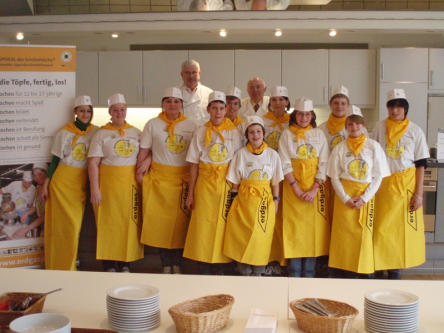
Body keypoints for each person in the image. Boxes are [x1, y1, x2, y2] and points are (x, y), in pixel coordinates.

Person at [372, 89, 430, 279]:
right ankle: (379, 271)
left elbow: (421, 164)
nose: (395, 110)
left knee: (399, 234)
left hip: (405, 188)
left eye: (399, 106)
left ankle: (395, 274)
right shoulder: (379, 127)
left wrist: (419, 193)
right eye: (391, 106)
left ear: (405, 109)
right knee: (380, 231)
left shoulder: (415, 131)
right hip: (382, 186)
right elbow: (371, 154)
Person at [137, 87, 197, 274]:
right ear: (163, 104)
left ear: (182, 105)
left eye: (176, 101)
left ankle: (177, 263)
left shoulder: (192, 125)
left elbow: (196, 154)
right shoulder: (152, 124)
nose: (172, 105)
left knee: (180, 226)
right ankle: (165, 264)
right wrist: (141, 169)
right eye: (168, 101)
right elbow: (144, 151)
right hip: (159, 180)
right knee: (160, 226)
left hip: (183, 180)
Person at [183, 91, 242, 274]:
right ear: (208, 109)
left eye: (221, 108)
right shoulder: (201, 131)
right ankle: (203, 265)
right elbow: (193, 164)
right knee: (203, 225)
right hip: (205, 184)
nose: (218, 112)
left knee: (223, 225)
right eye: (214, 108)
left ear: (226, 110)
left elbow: (237, 163)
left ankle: (222, 266)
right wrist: (191, 193)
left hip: (225, 183)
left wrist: (235, 191)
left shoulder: (234, 132)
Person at [327, 109, 390, 278]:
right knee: (345, 236)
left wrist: (364, 198)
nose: (354, 127)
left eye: (357, 123)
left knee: (364, 234)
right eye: (350, 124)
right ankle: (345, 272)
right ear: (346, 127)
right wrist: (345, 198)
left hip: (365, 196)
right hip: (345, 197)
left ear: (363, 125)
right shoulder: (340, 148)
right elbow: (334, 176)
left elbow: (378, 176)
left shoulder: (373, 146)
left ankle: (364, 272)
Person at [88, 93, 144, 272]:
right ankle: (109, 263)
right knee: (108, 224)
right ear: (109, 112)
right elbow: (93, 162)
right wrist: (94, 189)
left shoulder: (136, 132)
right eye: (115, 110)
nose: (119, 113)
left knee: (130, 223)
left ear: (126, 111)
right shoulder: (101, 134)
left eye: (122, 109)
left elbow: (148, 153)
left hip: (130, 185)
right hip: (108, 185)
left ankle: (126, 262)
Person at [41, 96, 97, 270]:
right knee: (60, 228)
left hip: (79, 182)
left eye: (88, 111)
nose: (85, 114)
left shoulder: (96, 132)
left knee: (74, 228)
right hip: (61, 183)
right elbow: (55, 161)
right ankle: (61, 267)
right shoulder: (64, 132)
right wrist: (45, 185)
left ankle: (69, 264)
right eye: (81, 111)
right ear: (75, 112)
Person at [223, 116, 283, 276]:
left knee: (261, 236)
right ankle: (243, 270)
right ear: (247, 136)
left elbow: (276, 181)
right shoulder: (240, 154)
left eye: (258, 132)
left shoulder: (272, 155)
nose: (255, 135)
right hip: (244, 200)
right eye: (251, 132)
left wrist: (276, 201)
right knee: (242, 235)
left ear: (263, 134)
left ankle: (259, 271)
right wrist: (233, 200)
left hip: (265, 200)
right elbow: (235, 180)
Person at [278, 97, 329, 277]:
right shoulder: (286, 135)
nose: (304, 118)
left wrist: (314, 188)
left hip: (313, 191)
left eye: (307, 114)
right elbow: (284, 162)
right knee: (294, 232)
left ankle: (309, 273)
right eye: (300, 114)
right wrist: (296, 188)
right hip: (293, 191)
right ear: (295, 115)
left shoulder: (319, 135)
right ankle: (294, 273)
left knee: (310, 234)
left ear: (312, 116)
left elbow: (323, 163)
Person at [13, 162, 48, 239]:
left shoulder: (50, 188)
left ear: (47, 173)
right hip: (41, 223)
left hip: (50, 223)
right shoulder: (38, 188)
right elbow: (36, 206)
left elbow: (47, 214)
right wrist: (25, 214)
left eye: (40, 174)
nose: (37, 178)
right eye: (34, 175)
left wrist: (26, 229)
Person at [179, 59, 213, 126]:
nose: (191, 76)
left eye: (194, 72)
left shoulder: (209, 93)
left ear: (199, 74)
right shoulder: (174, 93)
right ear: (182, 74)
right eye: (187, 73)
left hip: (204, 134)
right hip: (181, 134)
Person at [263, 86, 290, 151]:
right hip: (267, 155)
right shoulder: (263, 119)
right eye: (274, 100)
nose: (277, 103)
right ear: (270, 102)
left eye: (281, 99)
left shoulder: (292, 120)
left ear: (286, 102)